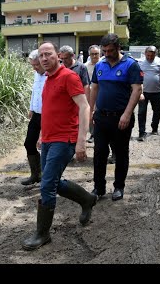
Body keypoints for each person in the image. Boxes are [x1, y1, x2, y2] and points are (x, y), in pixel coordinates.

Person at [22, 42, 95, 251]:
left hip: (65, 140)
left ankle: (42, 234)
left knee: (46, 185)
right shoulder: (47, 79)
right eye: (41, 55)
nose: (44, 58)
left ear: (58, 56)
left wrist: (82, 140)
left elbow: (84, 105)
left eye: (48, 54)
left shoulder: (69, 77)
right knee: (50, 180)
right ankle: (87, 199)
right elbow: (51, 110)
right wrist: (42, 135)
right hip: (49, 139)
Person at [89, 33, 143, 201]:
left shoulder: (131, 65)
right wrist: (91, 111)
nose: (107, 54)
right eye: (104, 50)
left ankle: (119, 186)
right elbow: (95, 88)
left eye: (110, 50)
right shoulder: (100, 65)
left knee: (120, 153)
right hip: (102, 117)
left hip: (121, 118)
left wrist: (127, 114)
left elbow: (137, 90)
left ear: (119, 48)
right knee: (99, 153)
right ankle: (99, 187)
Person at [21, 49, 47, 186]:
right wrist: (31, 108)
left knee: (44, 146)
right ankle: (35, 174)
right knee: (29, 143)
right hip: (36, 114)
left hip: (48, 116)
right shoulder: (37, 74)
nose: (34, 68)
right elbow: (34, 92)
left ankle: (45, 176)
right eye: (32, 65)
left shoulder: (50, 76)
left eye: (36, 65)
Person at [137, 45, 160, 141]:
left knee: (157, 112)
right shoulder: (140, 62)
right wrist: (137, 91)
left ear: (155, 54)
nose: (149, 58)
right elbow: (136, 78)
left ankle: (154, 128)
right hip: (143, 92)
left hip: (156, 92)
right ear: (145, 54)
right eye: (148, 55)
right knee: (141, 112)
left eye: (151, 56)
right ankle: (141, 132)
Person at [86, 45, 101, 143]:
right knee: (90, 112)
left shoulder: (104, 64)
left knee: (99, 114)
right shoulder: (85, 66)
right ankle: (92, 134)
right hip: (90, 94)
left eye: (96, 54)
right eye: (92, 54)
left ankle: (99, 134)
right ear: (89, 55)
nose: (94, 56)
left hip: (102, 94)